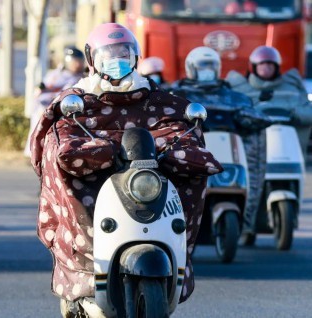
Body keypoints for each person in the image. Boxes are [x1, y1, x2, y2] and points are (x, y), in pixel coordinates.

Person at [29, 23, 223, 317]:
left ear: (135, 56)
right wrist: (95, 149)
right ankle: (85, 270)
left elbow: (176, 121)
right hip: (97, 182)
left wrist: (174, 140)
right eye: (109, 54)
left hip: (146, 177)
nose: (117, 60)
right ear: (92, 59)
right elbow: (57, 134)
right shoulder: (79, 100)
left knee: (193, 166)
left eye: (124, 53)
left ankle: (175, 250)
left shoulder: (153, 96)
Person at [170, 46, 272, 245]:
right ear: (191, 67)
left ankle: (247, 221)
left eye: (210, 65)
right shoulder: (177, 93)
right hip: (192, 151)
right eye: (202, 66)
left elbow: (253, 115)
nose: (207, 70)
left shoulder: (232, 95)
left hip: (228, 149)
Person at [226, 46, 312, 162]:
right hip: (251, 148)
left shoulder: (291, 88)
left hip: (286, 146)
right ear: (254, 67)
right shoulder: (240, 89)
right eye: (262, 64)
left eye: (270, 65)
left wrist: (293, 115)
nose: (266, 68)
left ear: (276, 67)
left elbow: (308, 112)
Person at [24, 46, 85, 157]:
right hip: (45, 106)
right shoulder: (56, 75)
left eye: (80, 61)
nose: (77, 64)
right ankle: (33, 152)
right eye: (74, 61)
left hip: (67, 108)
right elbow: (43, 88)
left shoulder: (82, 77)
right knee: (38, 128)